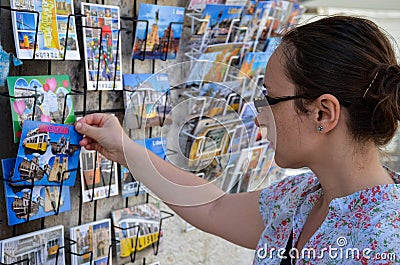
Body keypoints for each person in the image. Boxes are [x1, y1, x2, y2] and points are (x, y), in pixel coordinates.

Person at [75, 15, 400, 264]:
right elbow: (213, 207)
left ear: (323, 113)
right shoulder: (302, 197)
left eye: (269, 100)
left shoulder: (384, 244)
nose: (259, 116)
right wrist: (124, 147)